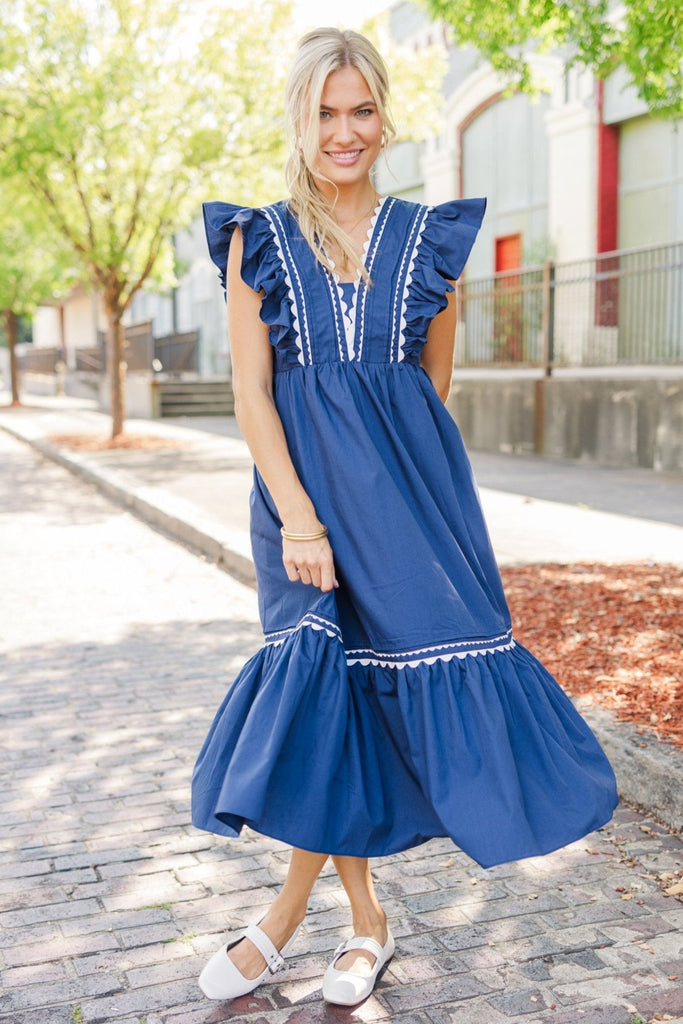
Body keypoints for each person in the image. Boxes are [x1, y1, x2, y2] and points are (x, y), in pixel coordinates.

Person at [192, 26, 618, 1008]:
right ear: (298, 119)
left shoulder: (429, 242)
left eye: (361, 110)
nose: (344, 131)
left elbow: (431, 384)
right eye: (324, 112)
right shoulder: (256, 239)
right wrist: (300, 514)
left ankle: (328, 920)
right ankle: (323, 920)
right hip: (299, 511)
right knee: (319, 695)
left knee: (363, 702)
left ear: (382, 114)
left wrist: (393, 497)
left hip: (410, 509)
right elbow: (252, 397)